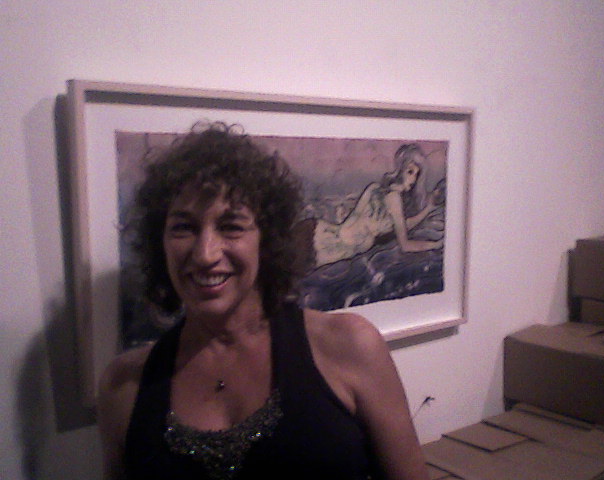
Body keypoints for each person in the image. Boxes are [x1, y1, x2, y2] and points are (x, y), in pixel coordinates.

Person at [97, 122, 431, 480]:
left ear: (266, 240)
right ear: (159, 241)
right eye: (183, 227)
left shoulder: (349, 347)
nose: (206, 254)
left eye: (231, 226)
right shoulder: (124, 387)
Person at [305, 143, 444, 269]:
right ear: (400, 169)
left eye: (417, 174)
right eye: (410, 172)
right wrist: (435, 245)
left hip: (322, 230)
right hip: (330, 247)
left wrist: (428, 208)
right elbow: (405, 245)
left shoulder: (374, 188)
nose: (413, 179)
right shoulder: (394, 199)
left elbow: (402, 224)